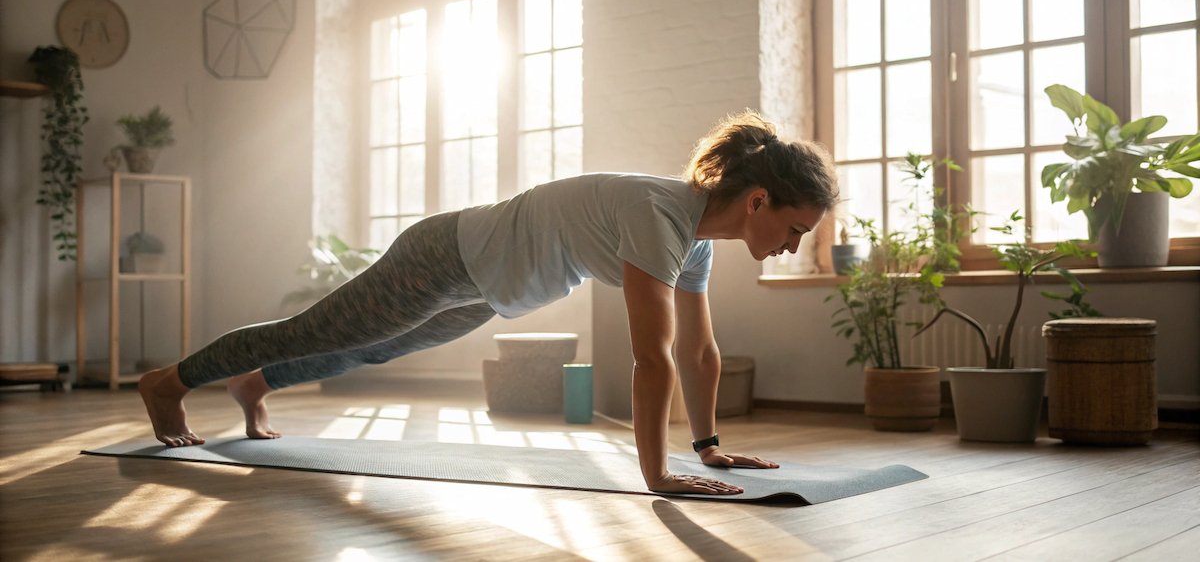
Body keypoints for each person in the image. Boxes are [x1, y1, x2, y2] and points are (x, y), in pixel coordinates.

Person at [139, 109, 839, 495]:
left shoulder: (696, 240)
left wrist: (708, 448)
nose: (791, 245)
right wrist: (659, 473)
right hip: (445, 257)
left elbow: (701, 351)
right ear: (757, 201)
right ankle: (166, 383)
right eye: (795, 229)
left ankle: (255, 383)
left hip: (484, 285)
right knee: (313, 330)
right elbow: (653, 359)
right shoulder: (659, 216)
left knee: (377, 346)